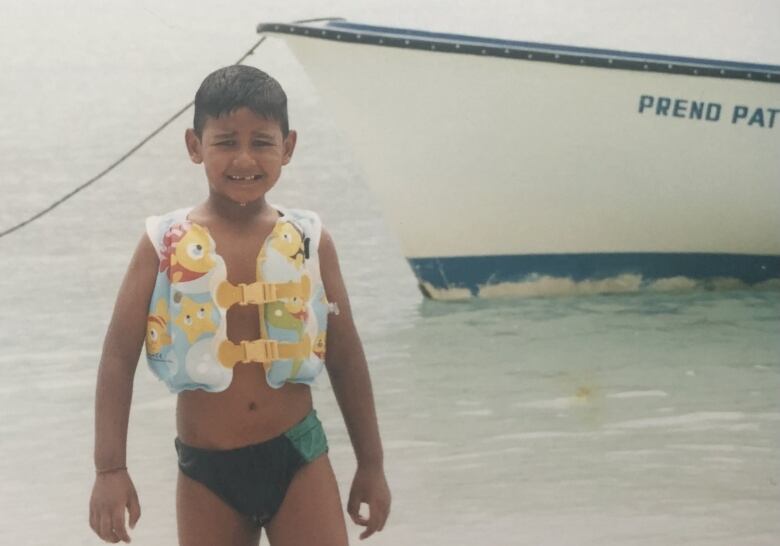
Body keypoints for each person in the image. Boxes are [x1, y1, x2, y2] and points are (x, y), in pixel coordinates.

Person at [89, 65, 390, 545]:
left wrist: (371, 464)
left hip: (298, 456)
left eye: (263, 142)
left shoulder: (310, 240)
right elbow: (117, 357)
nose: (244, 158)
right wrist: (110, 468)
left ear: (288, 148)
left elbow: (346, 355)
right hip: (207, 471)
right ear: (194, 146)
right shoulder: (162, 243)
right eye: (226, 141)